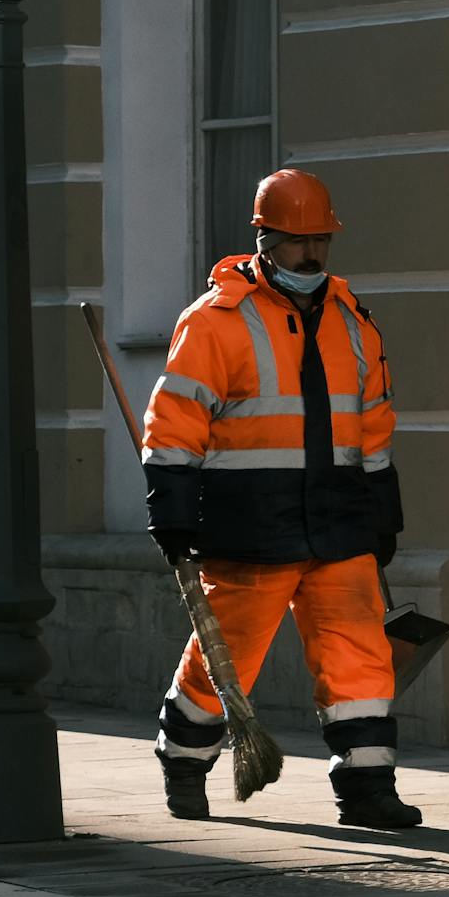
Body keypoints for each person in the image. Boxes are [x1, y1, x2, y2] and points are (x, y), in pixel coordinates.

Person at [142, 168, 420, 829]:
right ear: (264, 238)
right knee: (225, 653)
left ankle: (367, 789)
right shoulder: (216, 322)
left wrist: (383, 511)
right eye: (298, 241)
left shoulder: (354, 321)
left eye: (320, 238)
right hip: (251, 523)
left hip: (340, 519)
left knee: (359, 655)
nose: (312, 253)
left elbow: (374, 423)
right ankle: (184, 760)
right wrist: (173, 510)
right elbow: (175, 422)